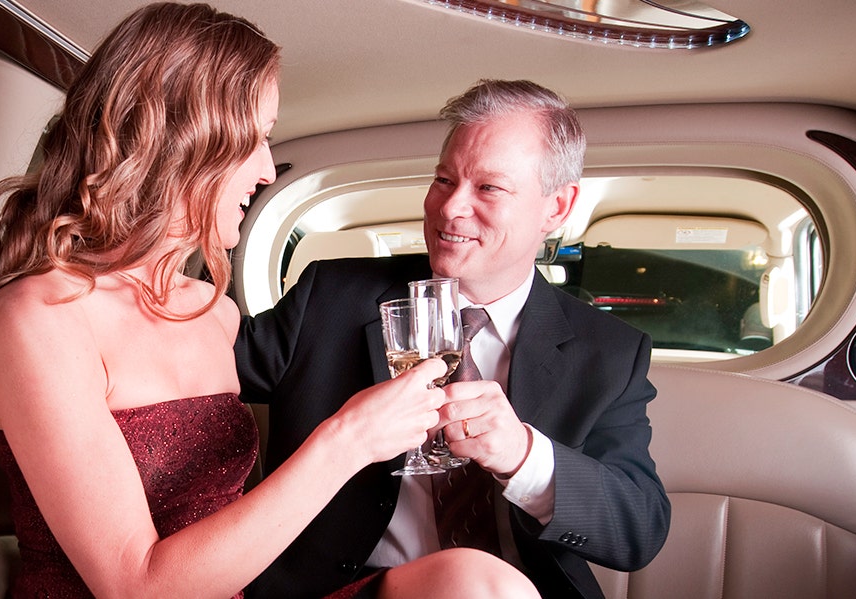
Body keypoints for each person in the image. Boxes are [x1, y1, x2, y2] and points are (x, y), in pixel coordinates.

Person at [0, 5, 538, 598]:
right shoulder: (40, 318)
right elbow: (135, 586)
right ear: (182, 146)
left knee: (481, 583)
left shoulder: (211, 310)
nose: (269, 169)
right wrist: (347, 440)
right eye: (257, 140)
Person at [236, 79, 671, 599]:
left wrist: (522, 455)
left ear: (556, 208)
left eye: (488, 188)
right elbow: (192, 371)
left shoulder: (611, 352)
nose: (450, 208)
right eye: (444, 179)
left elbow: (639, 531)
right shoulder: (328, 297)